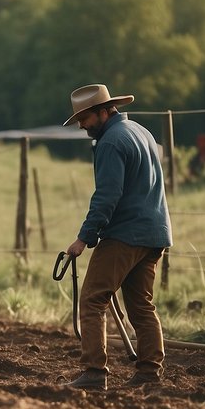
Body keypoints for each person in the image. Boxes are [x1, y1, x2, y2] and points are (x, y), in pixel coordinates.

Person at [61, 84, 173, 391]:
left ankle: (94, 372)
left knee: (93, 298)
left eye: (84, 118)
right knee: (141, 306)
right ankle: (150, 372)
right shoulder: (140, 132)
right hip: (155, 232)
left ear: (102, 111)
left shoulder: (110, 142)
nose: (82, 126)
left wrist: (83, 238)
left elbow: (108, 195)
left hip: (125, 233)